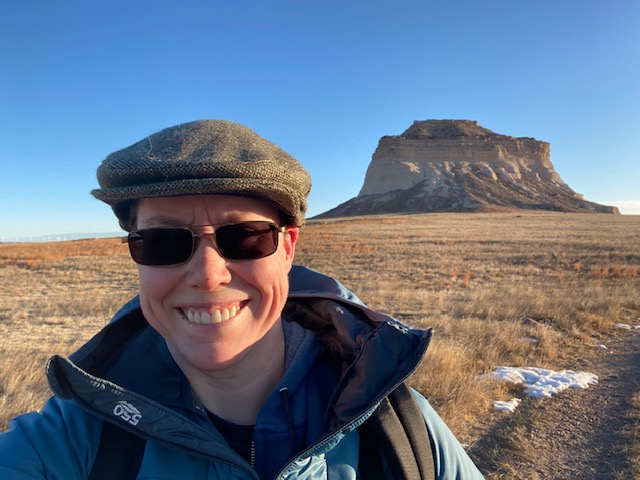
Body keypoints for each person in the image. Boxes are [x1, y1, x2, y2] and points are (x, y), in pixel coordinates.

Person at [0, 120, 484, 479]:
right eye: (165, 243)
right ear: (137, 257)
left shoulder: (399, 428)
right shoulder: (73, 440)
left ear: (288, 249)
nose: (208, 276)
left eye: (246, 238)